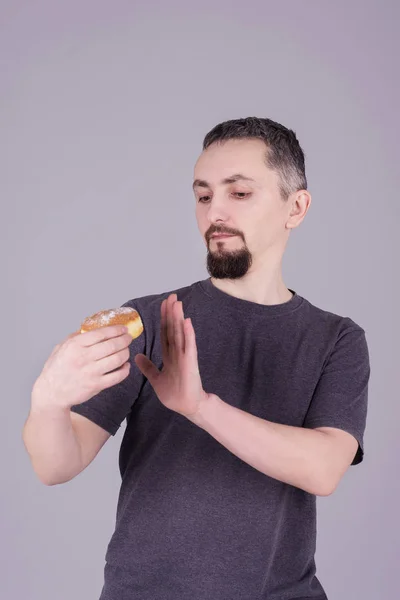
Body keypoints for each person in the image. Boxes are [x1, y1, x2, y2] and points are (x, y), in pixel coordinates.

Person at [23, 117, 370, 600]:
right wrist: (48, 404)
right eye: (204, 196)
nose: (215, 213)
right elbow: (56, 465)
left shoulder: (336, 339)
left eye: (239, 194)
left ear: (296, 207)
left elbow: (323, 468)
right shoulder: (146, 320)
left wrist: (200, 407)